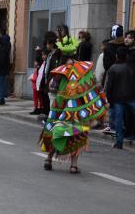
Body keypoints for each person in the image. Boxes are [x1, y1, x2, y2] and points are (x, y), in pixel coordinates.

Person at [39, 36, 108, 173]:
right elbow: (95, 85)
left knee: (56, 130)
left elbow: (52, 86)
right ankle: (73, 166)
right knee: (77, 133)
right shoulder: (84, 68)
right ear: (76, 53)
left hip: (60, 105)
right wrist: (103, 101)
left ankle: (48, 159)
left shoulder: (60, 69)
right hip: (78, 106)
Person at [105, 47, 135, 149]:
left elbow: (109, 86)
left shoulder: (113, 68)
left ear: (116, 56)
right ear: (127, 56)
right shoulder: (131, 67)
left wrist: (109, 100)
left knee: (118, 121)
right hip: (131, 97)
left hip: (118, 98)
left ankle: (119, 142)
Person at [42, 37, 61, 115]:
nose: (46, 45)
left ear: (52, 44)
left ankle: (52, 117)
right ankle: (50, 116)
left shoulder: (56, 55)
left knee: (52, 99)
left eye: (47, 44)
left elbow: (55, 68)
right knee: (50, 98)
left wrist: (53, 79)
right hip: (49, 78)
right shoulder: (50, 54)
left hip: (53, 79)